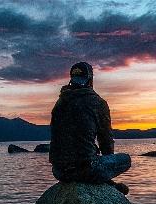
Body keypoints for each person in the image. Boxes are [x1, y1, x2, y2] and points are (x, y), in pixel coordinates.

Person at [49, 62, 130, 194]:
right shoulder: (97, 103)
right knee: (126, 160)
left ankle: (104, 181)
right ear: (90, 79)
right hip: (86, 169)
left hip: (59, 171)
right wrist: (106, 166)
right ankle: (106, 183)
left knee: (90, 160)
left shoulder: (59, 103)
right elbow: (106, 141)